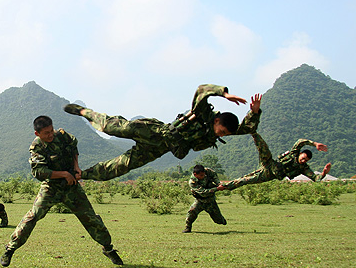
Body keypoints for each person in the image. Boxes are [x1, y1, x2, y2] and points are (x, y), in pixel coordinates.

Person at [64, 86, 262, 181]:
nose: (223, 135)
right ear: (217, 121)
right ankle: (83, 111)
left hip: (160, 148)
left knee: (122, 166)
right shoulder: (204, 114)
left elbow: (246, 129)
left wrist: (254, 113)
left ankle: (83, 174)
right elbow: (202, 90)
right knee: (114, 128)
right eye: (223, 131)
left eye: (226, 134)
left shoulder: (213, 135)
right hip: (156, 132)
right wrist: (224, 94)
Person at [0, 115, 123, 267]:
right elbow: (39, 172)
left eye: (51, 130)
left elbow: (73, 146)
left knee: (90, 218)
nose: (51, 135)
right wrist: (64, 174)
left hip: (71, 187)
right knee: (32, 217)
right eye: (46, 133)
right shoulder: (37, 147)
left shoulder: (63, 137)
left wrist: (76, 167)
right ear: (37, 134)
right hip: (51, 188)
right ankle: (10, 249)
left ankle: (108, 249)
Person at [220, 132, 332, 190]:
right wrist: (315, 144)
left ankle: (224, 186)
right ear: (301, 154)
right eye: (303, 158)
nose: (303, 161)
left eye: (305, 160)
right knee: (263, 147)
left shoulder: (303, 168)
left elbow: (316, 179)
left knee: (246, 180)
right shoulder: (294, 153)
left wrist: (324, 173)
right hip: (270, 163)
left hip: (269, 175)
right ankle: (252, 131)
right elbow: (300, 142)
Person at [183, 164, 227, 233]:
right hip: (200, 200)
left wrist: (218, 183)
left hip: (210, 200)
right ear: (195, 174)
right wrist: (217, 188)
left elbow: (214, 176)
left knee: (218, 220)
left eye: (203, 175)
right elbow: (203, 192)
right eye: (201, 175)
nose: (203, 176)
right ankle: (187, 227)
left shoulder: (207, 171)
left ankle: (222, 220)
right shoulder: (192, 182)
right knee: (192, 211)